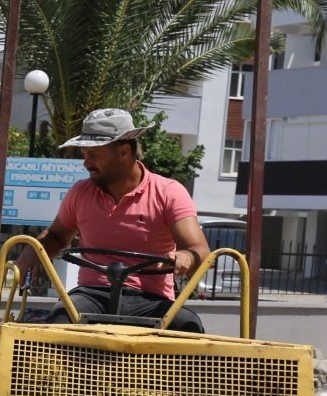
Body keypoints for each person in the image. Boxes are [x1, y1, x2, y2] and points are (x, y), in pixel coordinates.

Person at [16, 108, 210, 332]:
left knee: (188, 326)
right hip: (92, 295)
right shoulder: (80, 193)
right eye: (84, 154)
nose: (86, 163)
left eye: (94, 155)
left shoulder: (169, 192)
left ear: (124, 151)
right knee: (62, 318)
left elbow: (199, 249)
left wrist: (186, 256)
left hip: (151, 299)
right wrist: (33, 250)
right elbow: (57, 236)